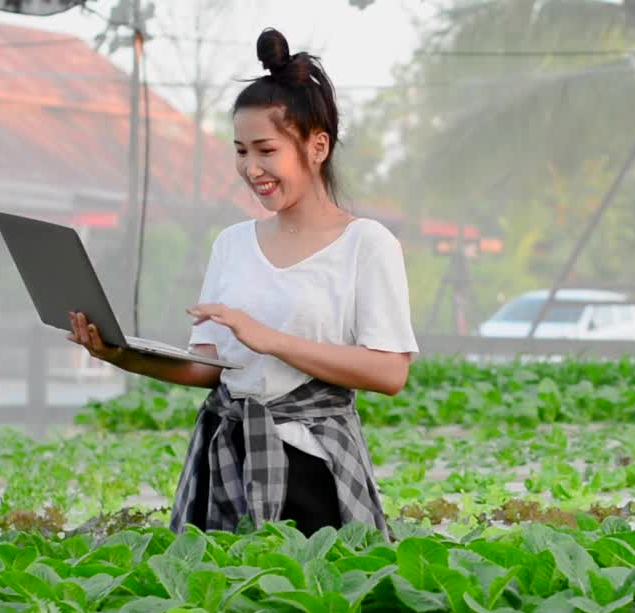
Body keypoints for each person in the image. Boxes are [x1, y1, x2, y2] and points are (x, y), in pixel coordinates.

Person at [66, 28, 418, 538]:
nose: (251, 169)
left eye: (265, 150)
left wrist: (270, 339)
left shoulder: (366, 244)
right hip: (224, 460)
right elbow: (208, 369)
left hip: (311, 468)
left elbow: (390, 372)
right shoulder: (231, 243)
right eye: (239, 151)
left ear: (317, 146)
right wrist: (119, 354)